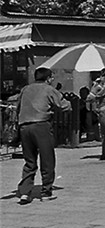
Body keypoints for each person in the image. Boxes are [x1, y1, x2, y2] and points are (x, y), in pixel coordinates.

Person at [16, 67, 72, 204]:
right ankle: (46, 191)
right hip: (41, 126)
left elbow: (18, 107)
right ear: (48, 78)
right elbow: (64, 105)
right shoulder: (48, 89)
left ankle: (24, 192)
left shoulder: (25, 89)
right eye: (51, 77)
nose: (52, 80)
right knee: (47, 159)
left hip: (24, 126)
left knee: (29, 161)